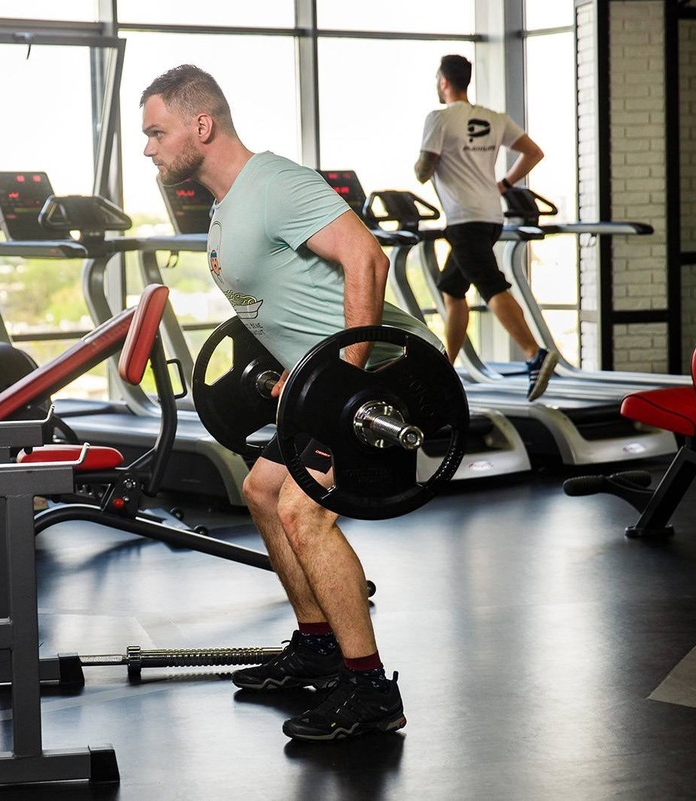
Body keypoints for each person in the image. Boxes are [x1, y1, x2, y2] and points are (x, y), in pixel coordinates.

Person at [141, 64, 442, 742]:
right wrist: (297, 375)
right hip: (330, 380)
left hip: (389, 376)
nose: (148, 147)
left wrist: (345, 384)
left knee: (304, 513)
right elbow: (289, 307)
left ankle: (369, 689)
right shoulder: (226, 205)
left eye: (157, 132)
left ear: (200, 125)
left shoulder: (276, 183)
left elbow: (366, 259)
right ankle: (317, 646)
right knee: (261, 489)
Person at [414, 53, 557, 401]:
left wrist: (427, 160)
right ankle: (447, 366)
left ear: (444, 82)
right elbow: (533, 152)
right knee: (452, 290)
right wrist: (504, 185)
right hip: (491, 215)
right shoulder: (494, 118)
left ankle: (534, 354)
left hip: (465, 219)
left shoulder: (439, 118)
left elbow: (422, 172)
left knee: (491, 285)